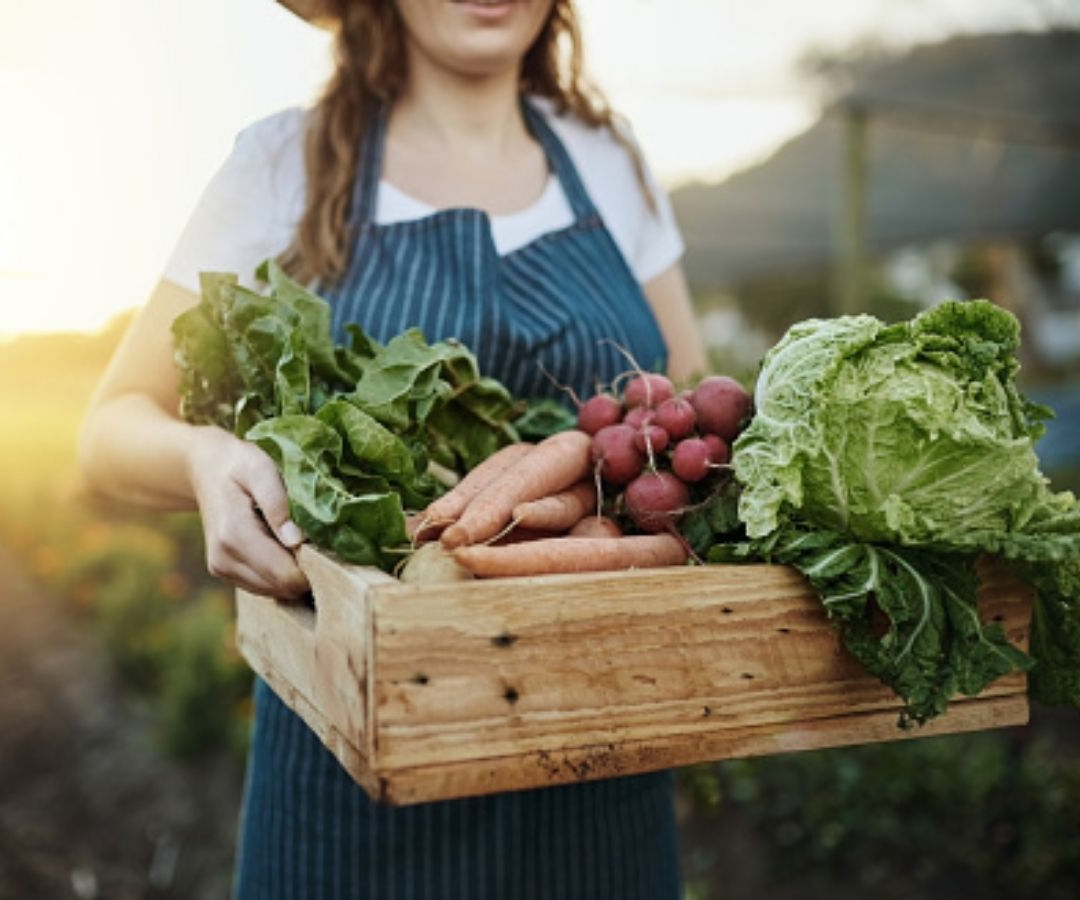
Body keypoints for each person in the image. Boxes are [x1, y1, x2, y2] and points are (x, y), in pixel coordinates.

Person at [79, 0, 710, 897]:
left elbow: (688, 412)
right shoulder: (281, 165)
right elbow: (110, 424)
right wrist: (204, 459)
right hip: (353, 763)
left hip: (602, 744)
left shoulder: (609, 159)